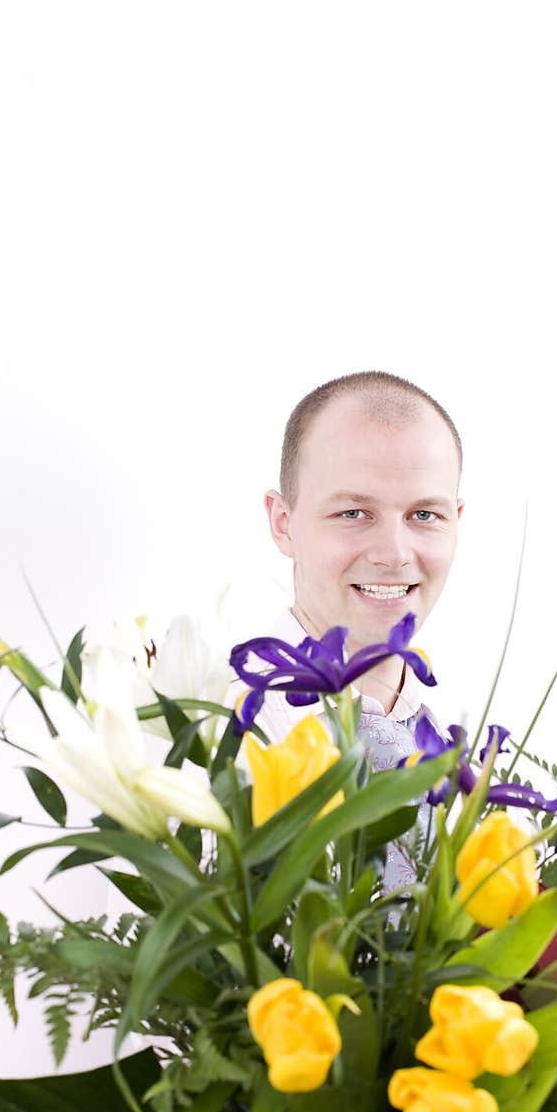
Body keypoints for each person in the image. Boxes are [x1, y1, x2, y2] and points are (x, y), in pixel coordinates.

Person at [224, 369, 465, 885]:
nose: (395, 553)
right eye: (355, 512)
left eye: (425, 515)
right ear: (283, 522)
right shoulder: (219, 742)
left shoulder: (460, 765)